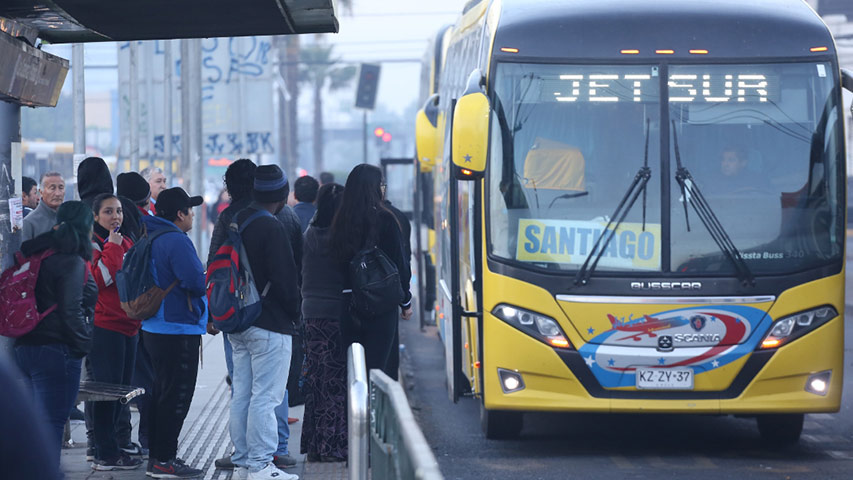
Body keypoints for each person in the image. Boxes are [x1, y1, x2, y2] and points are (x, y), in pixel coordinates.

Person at [210, 160, 300, 472]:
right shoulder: (275, 224)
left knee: (243, 394)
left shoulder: (234, 218)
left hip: (239, 321)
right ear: (282, 193)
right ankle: (262, 465)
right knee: (267, 397)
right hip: (270, 323)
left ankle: (242, 457)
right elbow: (288, 279)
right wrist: (295, 315)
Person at [15, 201, 97, 475]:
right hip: (55, 349)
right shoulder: (70, 259)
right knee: (50, 423)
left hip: (25, 346)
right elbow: (71, 309)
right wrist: (82, 344)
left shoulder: (37, 252)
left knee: (33, 425)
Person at [140, 187, 206, 478]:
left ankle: (157, 456)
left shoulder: (149, 234)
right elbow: (195, 281)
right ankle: (165, 459)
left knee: (160, 394)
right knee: (176, 396)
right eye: (189, 210)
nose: (192, 215)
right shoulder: (176, 240)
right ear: (180, 214)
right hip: (176, 327)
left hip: (152, 326)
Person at [331, 164, 412, 380]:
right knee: (378, 372)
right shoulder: (386, 219)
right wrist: (406, 302)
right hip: (380, 304)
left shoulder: (340, 221)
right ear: (376, 188)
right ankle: (372, 414)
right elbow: (399, 265)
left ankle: (354, 412)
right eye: (382, 184)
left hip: (347, 304)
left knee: (354, 371)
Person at [88, 193, 144, 471]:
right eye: (108, 212)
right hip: (105, 327)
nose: (115, 217)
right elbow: (101, 279)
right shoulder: (95, 243)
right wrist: (112, 246)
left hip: (129, 325)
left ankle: (112, 446)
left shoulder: (126, 240)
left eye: (119, 211)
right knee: (106, 393)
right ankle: (104, 453)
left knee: (121, 392)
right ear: (96, 217)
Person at [300, 183, 348, 462]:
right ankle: (334, 446)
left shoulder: (308, 234)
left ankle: (316, 445)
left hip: (310, 313)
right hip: (335, 315)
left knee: (316, 380)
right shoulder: (342, 238)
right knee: (335, 383)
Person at [22, 171, 65, 241]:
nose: (58, 193)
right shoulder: (29, 222)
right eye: (52, 188)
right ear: (41, 192)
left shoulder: (71, 219)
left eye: (61, 188)